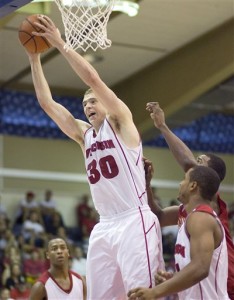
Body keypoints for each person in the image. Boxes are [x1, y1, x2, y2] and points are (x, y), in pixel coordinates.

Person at [23, 15, 164, 300]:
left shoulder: (122, 122)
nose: (87, 105)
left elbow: (92, 79)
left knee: (141, 294)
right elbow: (46, 103)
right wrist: (33, 57)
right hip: (104, 225)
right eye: (84, 103)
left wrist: (59, 43)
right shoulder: (83, 135)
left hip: (133, 220)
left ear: (106, 103)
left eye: (92, 101)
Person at [146, 101, 234, 299]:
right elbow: (158, 216)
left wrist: (162, 126)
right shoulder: (189, 210)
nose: (194, 164)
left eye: (200, 162)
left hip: (226, 284)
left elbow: (188, 165)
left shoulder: (210, 204)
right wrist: (146, 184)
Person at [128, 166, 229, 299]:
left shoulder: (201, 218)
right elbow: (156, 217)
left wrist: (155, 291)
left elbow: (200, 267)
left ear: (193, 186)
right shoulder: (190, 215)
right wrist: (173, 279)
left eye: (184, 179)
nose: (180, 183)